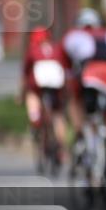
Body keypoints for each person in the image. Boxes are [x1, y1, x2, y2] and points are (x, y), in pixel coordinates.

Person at [61, 8, 106, 172]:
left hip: (90, 75)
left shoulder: (72, 36)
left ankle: (82, 136)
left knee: (77, 104)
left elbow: (67, 68)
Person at [21, 27, 69, 165]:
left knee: (32, 97)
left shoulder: (32, 50)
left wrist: (21, 94)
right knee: (58, 115)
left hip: (38, 87)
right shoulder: (57, 48)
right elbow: (65, 69)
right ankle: (61, 147)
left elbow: (25, 73)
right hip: (56, 86)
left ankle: (35, 120)